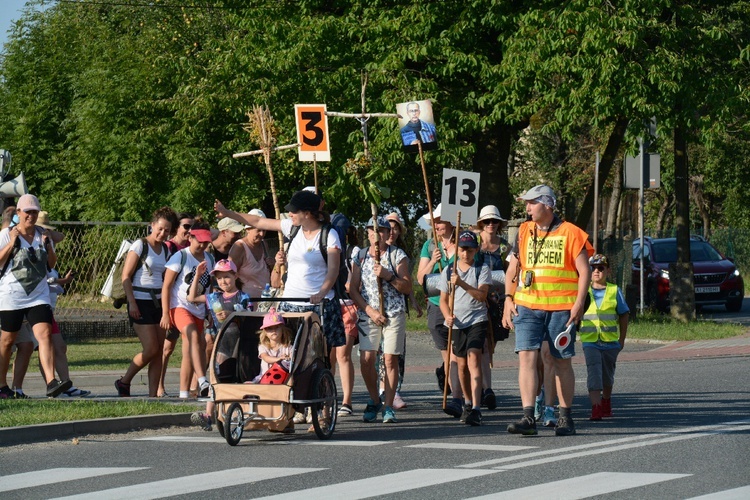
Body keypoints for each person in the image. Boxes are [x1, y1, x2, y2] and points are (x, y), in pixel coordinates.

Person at [503, 185, 593, 436]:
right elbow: (513, 268)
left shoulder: (572, 233)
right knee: (526, 358)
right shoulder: (523, 231)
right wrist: (508, 299)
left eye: (532, 203)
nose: (527, 208)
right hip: (528, 305)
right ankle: (528, 417)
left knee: (561, 361)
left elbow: (584, 272)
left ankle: (565, 417)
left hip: (561, 308)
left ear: (547, 205)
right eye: (527, 203)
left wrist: (578, 304)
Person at [214, 190, 346, 357]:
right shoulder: (292, 228)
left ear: (306, 213)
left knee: (319, 356)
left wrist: (321, 293)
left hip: (318, 304)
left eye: (294, 211)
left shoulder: (329, 234)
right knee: (287, 353)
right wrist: (228, 213)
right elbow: (258, 221)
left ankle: (322, 382)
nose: (289, 214)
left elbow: (333, 270)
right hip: (291, 302)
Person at [0, 194, 70, 398]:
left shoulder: (43, 235)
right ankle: (2, 385)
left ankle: (51, 381)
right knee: (6, 342)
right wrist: (12, 242)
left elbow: (51, 264)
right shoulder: (6, 234)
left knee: (45, 334)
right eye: (27, 212)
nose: (31, 215)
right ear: (19, 213)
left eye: (34, 212)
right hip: (11, 295)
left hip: (38, 294)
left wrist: (49, 246)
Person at [349, 216, 412, 424]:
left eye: (382, 231)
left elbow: (407, 287)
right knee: (366, 359)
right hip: (369, 314)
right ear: (367, 233)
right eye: (373, 231)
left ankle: (388, 405)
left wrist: (388, 276)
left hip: (393, 313)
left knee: (389, 358)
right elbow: (353, 289)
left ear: (388, 234)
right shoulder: (360, 256)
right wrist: (370, 311)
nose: (378, 236)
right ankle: (374, 399)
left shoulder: (397, 255)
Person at [114, 206, 177, 397]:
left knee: (158, 351)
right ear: (152, 226)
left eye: (167, 230)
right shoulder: (140, 245)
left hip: (158, 302)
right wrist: (132, 302)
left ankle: (152, 395)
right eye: (160, 228)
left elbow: (166, 278)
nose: (162, 233)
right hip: (140, 301)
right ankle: (124, 381)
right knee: (150, 349)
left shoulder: (165, 249)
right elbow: (126, 276)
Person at [189, 259, 252, 431]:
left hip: (239, 342)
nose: (223, 281)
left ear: (235, 276)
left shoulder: (243, 297)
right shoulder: (214, 297)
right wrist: (197, 276)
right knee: (216, 378)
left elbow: (249, 316)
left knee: (233, 378)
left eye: (227, 277)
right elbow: (192, 297)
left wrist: (232, 313)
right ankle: (209, 414)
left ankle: (229, 411)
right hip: (221, 342)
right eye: (219, 278)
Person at [439, 231, 491, 426]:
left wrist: (460, 282)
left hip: (477, 319)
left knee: (474, 356)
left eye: (469, 250)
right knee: (461, 364)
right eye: (462, 249)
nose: (465, 254)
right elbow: (443, 301)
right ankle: (467, 401)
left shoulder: (481, 268)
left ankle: (477, 408)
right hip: (458, 321)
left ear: (476, 250)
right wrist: (446, 316)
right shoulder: (448, 271)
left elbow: (482, 296)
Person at [160, 217, 215, 399]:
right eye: (199, 241)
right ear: (190, 238)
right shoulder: (181, 256)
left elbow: (210, 288)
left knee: (189, 351)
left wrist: (210, 311)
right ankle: (202, 380)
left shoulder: (209, 258)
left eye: (206, 242)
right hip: (179, 306)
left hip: (199, 309)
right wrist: (165, 314)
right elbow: (167, 286)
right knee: (193, 336)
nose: (202, 246)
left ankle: (184, 393)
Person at [416, 203, 463, 416]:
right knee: (448, 354)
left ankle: (457, 397)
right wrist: (432, 262)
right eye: (434, 222)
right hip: (437, 303)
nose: (436, 225)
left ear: (451, 222)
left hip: (460, 304)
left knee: (456, 353)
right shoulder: (429, 245)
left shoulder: (464, 243)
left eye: (440, 221)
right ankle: (453, 387)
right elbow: (420, 279)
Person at [580, 253, 629, 420]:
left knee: (607, 376)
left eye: (600, 268)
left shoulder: (614, 290)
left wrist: (621, 339)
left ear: (607, 271)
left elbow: (624, 314)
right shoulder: (583, 291)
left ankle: (606, 401)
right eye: (593, 268)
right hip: (590, 341)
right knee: (594, 373)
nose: (596, 272)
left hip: (610, 342)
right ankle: (596, 407)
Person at [474, 205, 510, 411]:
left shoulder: (505, 247)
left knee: (490, 345)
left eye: (494, 221)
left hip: (496, 303)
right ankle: (485, 388)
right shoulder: (473, 243)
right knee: (481, 346)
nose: (490, 225)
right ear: (481, 224)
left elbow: (510, 273)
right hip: (476, 300)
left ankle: (481, 384)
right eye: (487, 221)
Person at [158, 212, 194, 397]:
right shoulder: (169, 247)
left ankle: (192, 387)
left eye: (192, 227)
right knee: (167, 347)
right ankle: (159, 385)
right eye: (186, 226)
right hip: (171, 304)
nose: (189, 230)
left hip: (190, 306)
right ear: (177, 228)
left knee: (192, 344)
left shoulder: (193, 248)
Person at [228, 209, 273, 298]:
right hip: (247, 301)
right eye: (259, 230)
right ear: (248, 229)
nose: (262, 234)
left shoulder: (264, 244)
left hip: (266, 299)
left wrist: (273, 265)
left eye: (264, 231)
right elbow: (229, 274)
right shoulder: (239, 247)